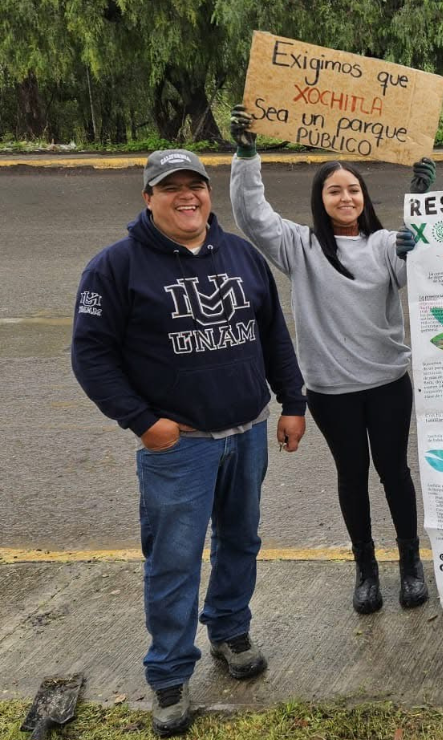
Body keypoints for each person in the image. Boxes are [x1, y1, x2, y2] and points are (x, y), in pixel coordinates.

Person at [71, 149, 307, 736]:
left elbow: (274, 333)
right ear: (147, 198)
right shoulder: (115, 268)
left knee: (241, 540)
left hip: (248, 430)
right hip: (181, 447)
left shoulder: (241, 255)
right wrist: (141, 421)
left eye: (195, 185)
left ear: (207, 193)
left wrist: (293, 402)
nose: (186, 196)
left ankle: (230, 630)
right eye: (169, 187)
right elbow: (91, 355)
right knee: (174, 561)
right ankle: (170, 676)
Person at [228, 105, 435, 616]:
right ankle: (365, 569)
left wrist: (425, 214)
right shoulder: (300, 247)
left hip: (388, 381)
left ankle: (411, 563)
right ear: (321, 201)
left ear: (365, 198)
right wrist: (246, 154)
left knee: (394, 471)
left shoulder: (386, 244)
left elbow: (425, 266)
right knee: (352, 475)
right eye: (334, 190)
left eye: (354, 189)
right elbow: (253, 216)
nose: (346, 197)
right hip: (330, 389)